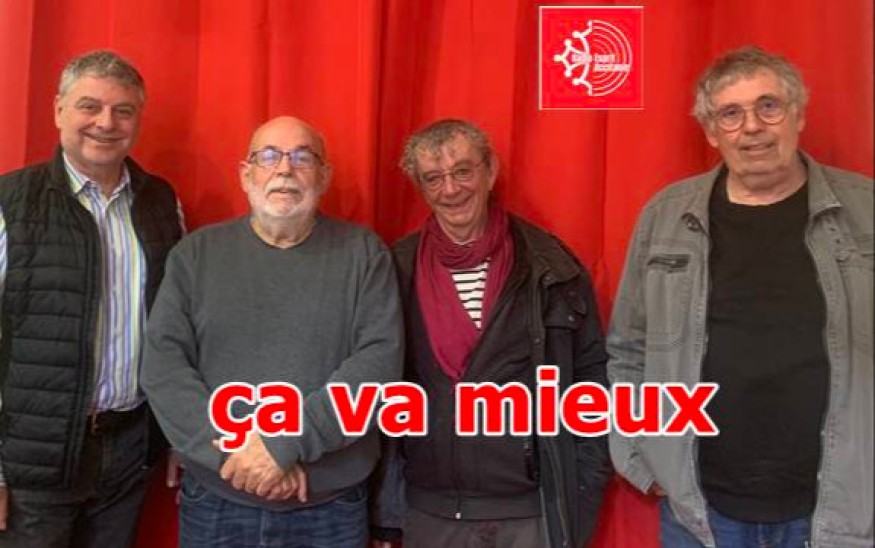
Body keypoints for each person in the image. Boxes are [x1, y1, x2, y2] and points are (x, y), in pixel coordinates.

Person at [607, 45, 873, 548]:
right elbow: (628, 351)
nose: (752, 127)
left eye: (768, 106)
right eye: (730, 114)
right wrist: (640, 456)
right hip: (701, 512)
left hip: (837, 510)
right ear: (711, 131)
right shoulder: (666, 217)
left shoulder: (867, 211)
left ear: (798, 115)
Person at [140, 115, 404, 547]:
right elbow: (164, 368)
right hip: (218, 499)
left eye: (302, 157)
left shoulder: (365, 254)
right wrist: (241, 457)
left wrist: (284, 445)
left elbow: (377, 365)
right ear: (246, 175)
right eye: (269, 156)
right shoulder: (195, 255)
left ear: (324, 176)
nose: (284, 169)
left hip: (329, 507)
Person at [370, 119, 612, 548]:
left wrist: (581, 490)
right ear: (420, 188)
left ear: (491, 170)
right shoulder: (393, 269)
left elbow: (592, 380)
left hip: (531, 512)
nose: (450, 189)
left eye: (463, 171)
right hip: (430, 511)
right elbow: (374, 389)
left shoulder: (551, 266)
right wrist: (385, 513)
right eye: (433, 178)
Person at [0, 50, 184, 547]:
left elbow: (177, 328)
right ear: (58, 110)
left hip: (128, 451)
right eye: (90, 106)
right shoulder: (10, 203)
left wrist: (175, 434)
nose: (106, 123)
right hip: (32, 458)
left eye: (123, 110)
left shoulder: (162, 203)